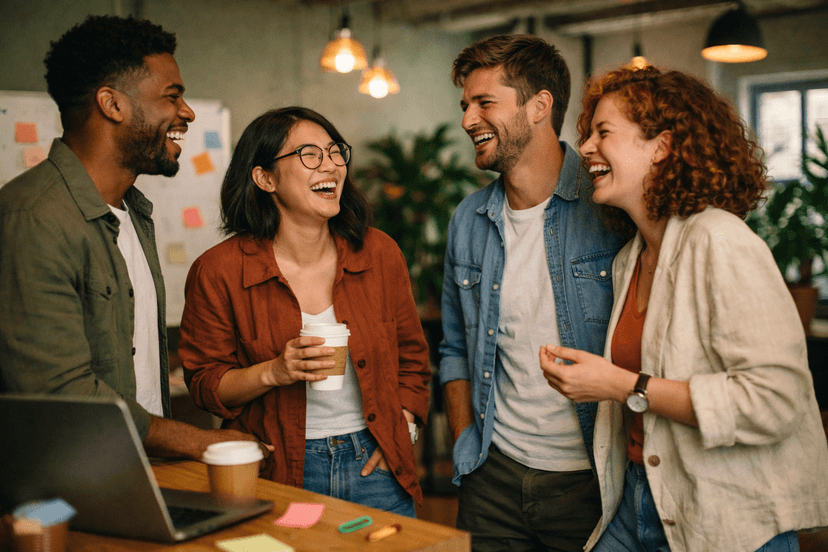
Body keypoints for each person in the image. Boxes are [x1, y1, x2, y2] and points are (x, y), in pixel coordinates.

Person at [539, 65, 828, 552]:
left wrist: (620, 385)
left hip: (727, 518)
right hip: (639, 500)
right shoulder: (632, 256)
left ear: (662, 147)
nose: (585, 148)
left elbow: (775, 400)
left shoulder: (720, 239)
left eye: (602, 133)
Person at [0, 15, 265, 459]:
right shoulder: (32, 218)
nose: (187, 112)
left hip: (136, 474)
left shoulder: (133, 213)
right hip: (72, 491)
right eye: (172, 96)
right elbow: (61, 394)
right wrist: (200, 441)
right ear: (112, 104)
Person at [177, 107, 431, 517]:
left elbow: (413, 358)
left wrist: (403, 428)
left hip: (377, 460)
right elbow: (206, 384)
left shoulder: (379, 252)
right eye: (309, 154)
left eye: (334, 152)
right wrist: (275, 371)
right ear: (265, 178)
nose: (330, 165)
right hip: (278, 466)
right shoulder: (218, 270)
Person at [439, 34, 627, 551]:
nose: (467, 120)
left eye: (484, 103)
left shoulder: (611, 206)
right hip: (492, 476)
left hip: (591, 479)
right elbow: (455, 348)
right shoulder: (468, 220)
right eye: (465, 106)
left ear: (539, 105)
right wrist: (464, 443)